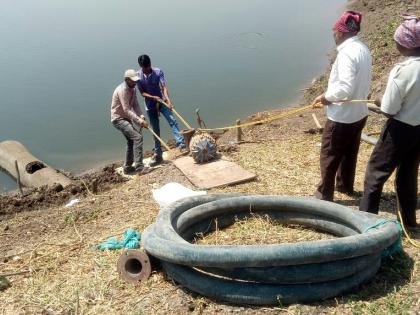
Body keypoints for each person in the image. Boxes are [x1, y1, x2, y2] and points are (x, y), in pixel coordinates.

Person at [360, 15, 420, 228]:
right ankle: (409, 222)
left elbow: (389, 109)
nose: (395, 44)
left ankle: (366, 224)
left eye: (397, 41)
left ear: (406, 44)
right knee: (408, 175)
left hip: (400, 131)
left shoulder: (403, 71)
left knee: (375, 175)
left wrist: (379, 100)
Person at [313, 11, 372, 201]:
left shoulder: (346, 54)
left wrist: (326, 97)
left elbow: (345, 88)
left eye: (334, 31)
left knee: (330, 155)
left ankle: (324, 195)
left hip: (342, 117)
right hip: (359, 114)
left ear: (342, 32)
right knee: (349, 153)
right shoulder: (362, 48)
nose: (333, 35)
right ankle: (345, 186)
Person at [137, 54, 186, 166]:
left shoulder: (158, 72)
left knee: (172, 120)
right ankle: (158, 153)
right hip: (150, 104)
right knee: (155, 129)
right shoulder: (138, 76)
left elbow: (163, 87)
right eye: (144, 69)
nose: (147, 71)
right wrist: (153, 97)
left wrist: (168, 101)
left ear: (150, 64)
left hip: (162, 101)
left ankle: (181, 144)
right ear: (141, 67)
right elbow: (142, 93)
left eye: (148, 68)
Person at [111, 69, 151, 175]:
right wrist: (139, 121)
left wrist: (141, 116)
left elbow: (135, 105)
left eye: (135, 80)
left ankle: (128, 167)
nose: (135, 82)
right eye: (133, 81)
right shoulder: (122, 90)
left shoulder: (133, 89)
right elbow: (126, 109)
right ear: (127, 79)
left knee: (131, 141)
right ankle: (139, 167)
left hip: (126, 118)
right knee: (138, 137)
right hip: (118, 119)